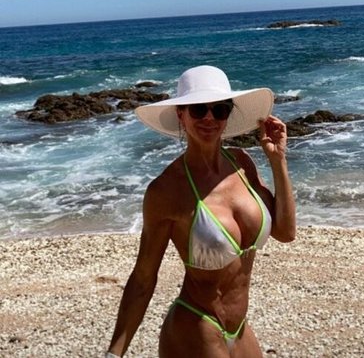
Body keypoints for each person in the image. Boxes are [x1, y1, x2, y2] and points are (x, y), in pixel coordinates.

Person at [106, 65, 296, 357]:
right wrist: (114, 353)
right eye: (198, 109)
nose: (209, 118)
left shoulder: (242, 163)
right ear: (180, 115)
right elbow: (143, 279)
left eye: (219, 109)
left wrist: (278, 160)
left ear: (227, 115)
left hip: (240, 327)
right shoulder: (166, 191)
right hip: (195, 325)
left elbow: (285, 232)